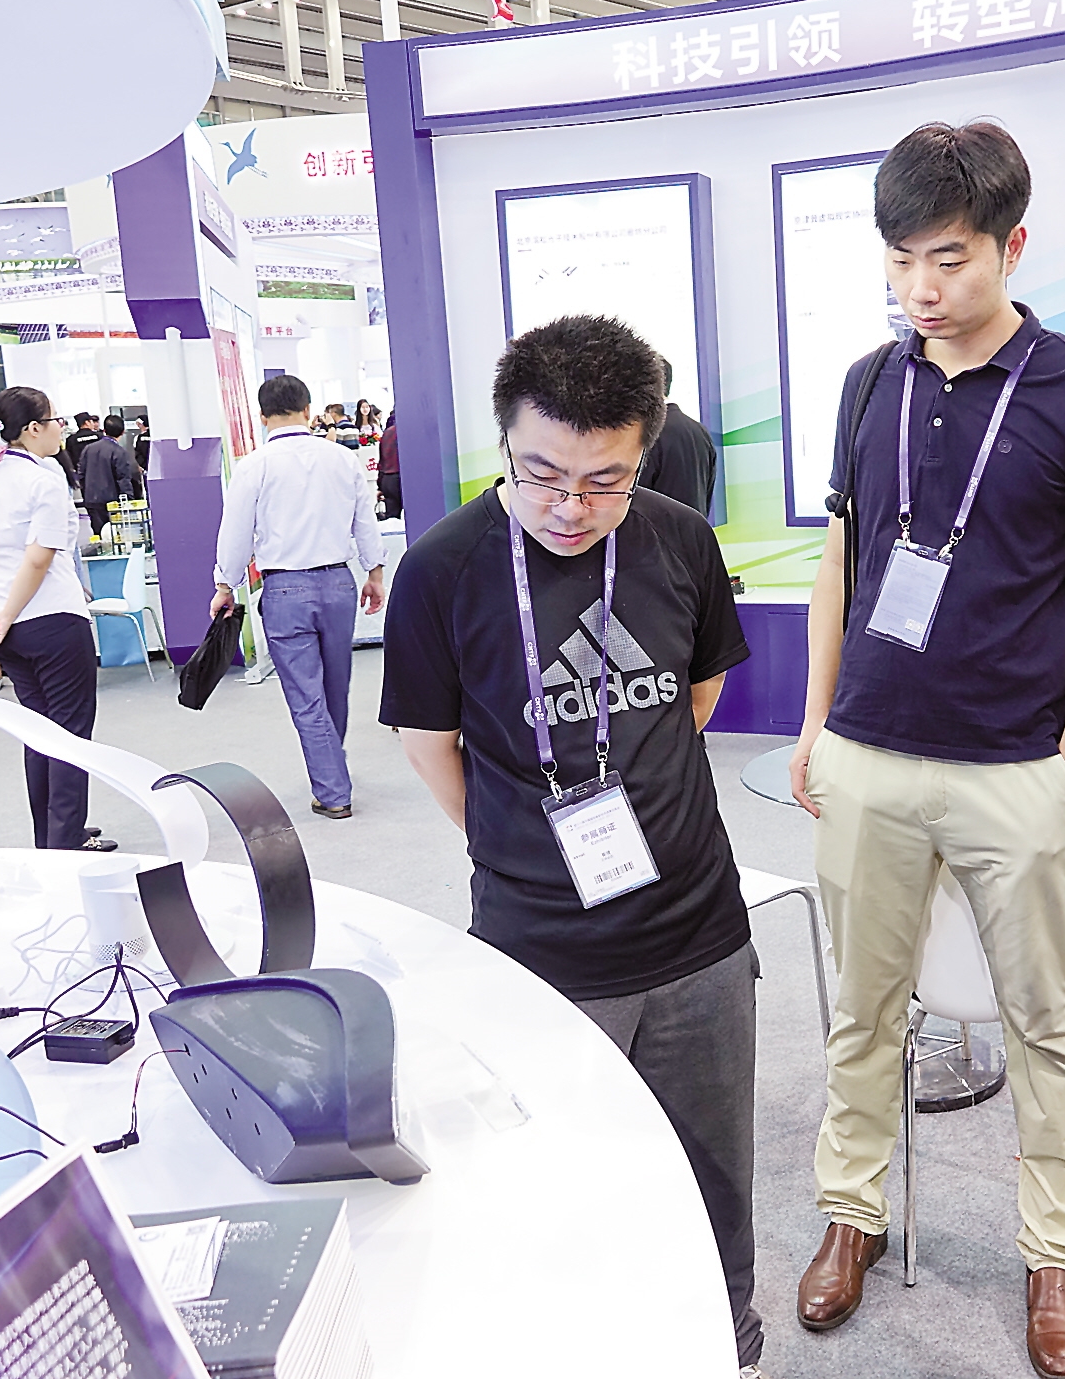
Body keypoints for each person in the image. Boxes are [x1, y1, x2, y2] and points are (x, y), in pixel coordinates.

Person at [786, 120, 1065, 1378]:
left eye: (946, 259)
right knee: (859, 1013)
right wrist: (817, 720)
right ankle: (851, 1215)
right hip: (869, 753)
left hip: (1013, 768)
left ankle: (1054, 1253)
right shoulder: (867, 381)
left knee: (1045, 1023)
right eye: (899, 261)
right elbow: (840, 562)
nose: (919, 289)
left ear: (1010, 245)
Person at [381, 314, 762, 1377]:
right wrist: (514, 843)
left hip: (697, 934)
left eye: (605, 481)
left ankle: (730, 1349)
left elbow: (694, 697)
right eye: (542, 474)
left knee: (713, 1185)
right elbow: (429, 742)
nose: (569, 506)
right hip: (536, 947)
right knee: (558, 1188)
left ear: (645, 453)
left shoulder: (678, 540)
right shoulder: (443, 569)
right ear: (504, 441)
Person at [210, 374, 387, 819]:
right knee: (336, 687)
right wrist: (375, 572)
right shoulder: (341, 459)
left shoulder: (254, 466)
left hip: (285, 588)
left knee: (307, 695)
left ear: (262, 416)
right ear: (308, 411)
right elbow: (364, 520)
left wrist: (225, 585)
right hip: (338, 583)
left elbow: (235, 533)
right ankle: (332, 771)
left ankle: (333, 790)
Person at [0, 386, 116, 854]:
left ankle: (50, 835)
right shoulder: (43, 481)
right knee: (70, 732)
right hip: (51, 619)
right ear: (33, 428)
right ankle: (66, 838)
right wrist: (7, 613)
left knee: (39, 732)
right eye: (56, 420)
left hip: (8, 628)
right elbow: (39, 557)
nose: (61, 428)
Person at [639, 356, 718, 517]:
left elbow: (636, 498)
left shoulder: (649, 433)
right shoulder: (700, 432)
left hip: (656, 531)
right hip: (695, 529)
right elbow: (707, 492)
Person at [78, 413, 140, 538]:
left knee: (99, 535)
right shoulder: (119, 452)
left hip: (92, 500)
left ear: (104, 430)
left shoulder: (88, 449)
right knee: (115, 536)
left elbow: (81, 474)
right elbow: (123, 478)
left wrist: (87, 494)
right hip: (112, 503)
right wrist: (128, 500)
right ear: (122, 432)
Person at [376, 408, 402, 520]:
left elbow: (382, 460)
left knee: (392, 519)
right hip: (402, 478)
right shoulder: (408, 432)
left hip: (388, 478)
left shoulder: (387, 433)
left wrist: (380, 485)